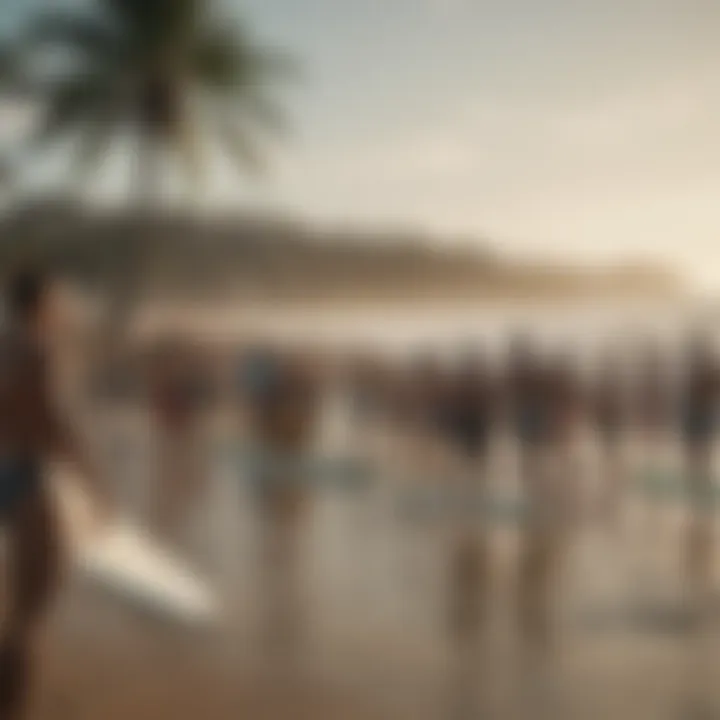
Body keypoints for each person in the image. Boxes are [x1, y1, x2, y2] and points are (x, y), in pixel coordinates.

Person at [0, 267, 108, 718]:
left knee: (24, 602)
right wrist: (93, 479)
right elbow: (52, 420)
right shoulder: (39, 348)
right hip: (26, 471)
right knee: (32, 608)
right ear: (42, 303)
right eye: (58, 299)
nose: (63, 307)